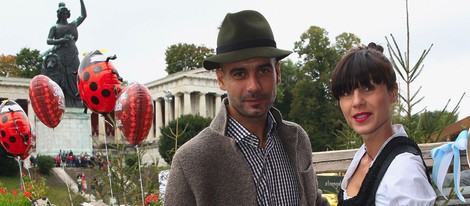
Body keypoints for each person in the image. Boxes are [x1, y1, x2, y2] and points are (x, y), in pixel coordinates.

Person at [164, 10, 329, 206]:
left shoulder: (296, 139)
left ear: (277, 72)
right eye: (239, 73)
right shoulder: (192, 161)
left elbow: (313, 201)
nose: (254, 86)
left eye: (263, 70)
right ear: (220, 79)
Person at [331, 43, 436, 205]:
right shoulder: (364, 156)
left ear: (393, 92)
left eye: (368, 88)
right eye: (346, 92)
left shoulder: (403, 170)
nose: (357, 101)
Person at [45, 0, 86, 107]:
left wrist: (81, 1)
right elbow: (48, 41)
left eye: (65, 13)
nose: (64, 14)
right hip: (60, 55)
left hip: (72, 53)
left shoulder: (73, 24)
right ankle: (63, 100)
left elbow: (83, 15)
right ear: (59, 14)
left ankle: (77, 100)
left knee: (76, 75)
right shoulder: (55, 27)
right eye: (62, 13)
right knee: (63, 77)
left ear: (68, 14)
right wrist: (62, 40)